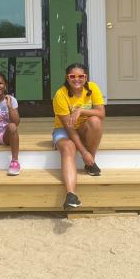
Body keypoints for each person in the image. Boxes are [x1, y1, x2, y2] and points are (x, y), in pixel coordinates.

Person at [52, 63, 105, 209]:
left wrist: (81, 111)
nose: (77, 79)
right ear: (67, 78)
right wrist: (83, 151)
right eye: (72, 76)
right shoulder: (60, 94)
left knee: (95, 121)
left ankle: (90, 163)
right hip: (63, 129)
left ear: (86, 77)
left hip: (83, 127)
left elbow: (101, 114)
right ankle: (71, 194)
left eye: (81, 76)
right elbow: (69, 127)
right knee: (69, 147)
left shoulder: (92, 88)